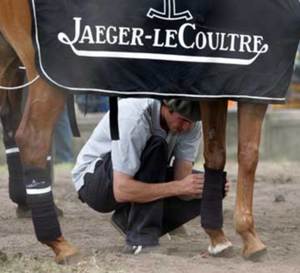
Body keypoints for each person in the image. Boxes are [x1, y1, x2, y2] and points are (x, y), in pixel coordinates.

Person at [72, 98, 229, 254]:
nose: (186, 127)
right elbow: (121, 190)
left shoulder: (192, 126)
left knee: (215, 185)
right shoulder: (133, 117)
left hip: (133, 178)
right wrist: (178, 187)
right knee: (156, 145)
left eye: (192, 122)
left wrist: (203, 187)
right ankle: (140, 239)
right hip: (95, 184)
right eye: (183, 120)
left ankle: (127, 220)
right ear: (166, 107)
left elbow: (183, 185)